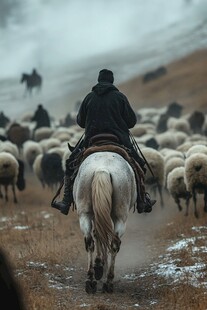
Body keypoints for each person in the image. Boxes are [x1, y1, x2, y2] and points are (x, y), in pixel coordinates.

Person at [52, 69, 156, 215]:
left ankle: (66, 201)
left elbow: (81, 122)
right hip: (118, 138)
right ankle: (141, 200)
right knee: (139, 165)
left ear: (99, 80)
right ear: (112, 81)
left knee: (71, 164)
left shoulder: (89, 97)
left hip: (92, 139)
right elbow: (132, 121)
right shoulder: (120, 97)